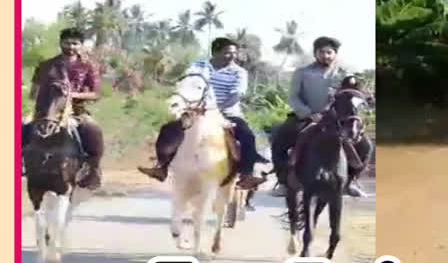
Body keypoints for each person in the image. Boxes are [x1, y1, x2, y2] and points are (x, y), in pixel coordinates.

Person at [138, 37, 267, 189]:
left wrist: (213, 107)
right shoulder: (198, 65)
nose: (233, 56)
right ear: (216, 52)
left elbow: (236, 95)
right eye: (227, 53)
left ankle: (247, 175)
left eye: (234, 53)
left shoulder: (239, 72)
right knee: (168, 129)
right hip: (195, 110)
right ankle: (161, 166)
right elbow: (189, 82)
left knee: (247, 136)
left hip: (227, 112)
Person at [270, 36, 372, 198]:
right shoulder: (303, 73)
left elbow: (353, 94)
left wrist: (363, 95)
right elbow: (293, 98)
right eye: (322, 52)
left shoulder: (345, 74)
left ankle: (351, 181)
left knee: (365, 145)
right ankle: (283, 182)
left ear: (335, 54)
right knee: (279, 141)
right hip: (305, 117)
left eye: (329, 52)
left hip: (337, 119)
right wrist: (309, 113)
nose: (326, 56)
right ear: (315, 53)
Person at [21, 27, 104, 189]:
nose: (71, 47)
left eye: (75, 43)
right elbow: (34, 93)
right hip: (46, 110)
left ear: (81, 45)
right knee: (23, 124)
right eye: (67, 43)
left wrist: (70, 95)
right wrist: (48, 95)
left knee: (93, 129)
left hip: (76, 111)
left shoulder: (88, 66)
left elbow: (95, 94)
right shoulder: (46, 65)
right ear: (60, 43)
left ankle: (92, 170)